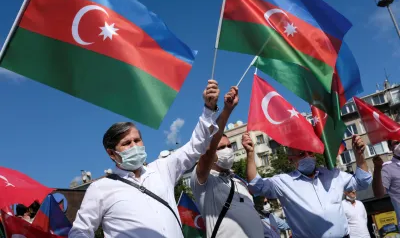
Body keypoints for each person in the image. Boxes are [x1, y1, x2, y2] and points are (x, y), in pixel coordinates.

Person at [69, 80, 226, 238]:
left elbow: (195, 147)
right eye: (127, 143)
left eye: (137, 140)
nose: (134, 146)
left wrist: (208, 109)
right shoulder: (101, 189)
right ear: (111, 153)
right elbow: (80, 232)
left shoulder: (162, 169)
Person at [244, 132, 372, 238]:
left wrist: (359, 155)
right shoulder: (283, 182)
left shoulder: (332, 174)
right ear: (290, 160)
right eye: (301, 154)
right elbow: (256, 186)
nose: (307, 157)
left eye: (310, 152)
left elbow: (363, 182)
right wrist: (250, 154)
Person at [191, 86, 264, 238]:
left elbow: (256, 187)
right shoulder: (203, 180)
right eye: (222, 147)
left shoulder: (237, 181)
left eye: (230, 146)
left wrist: (250, 153)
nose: (228, 150)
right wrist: (227, 110)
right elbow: (210, 148)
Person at [372, 140, 400, 227]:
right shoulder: (387, 168)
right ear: (390, 147)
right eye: (396, 142)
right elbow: (379, 194)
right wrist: (377, 169)